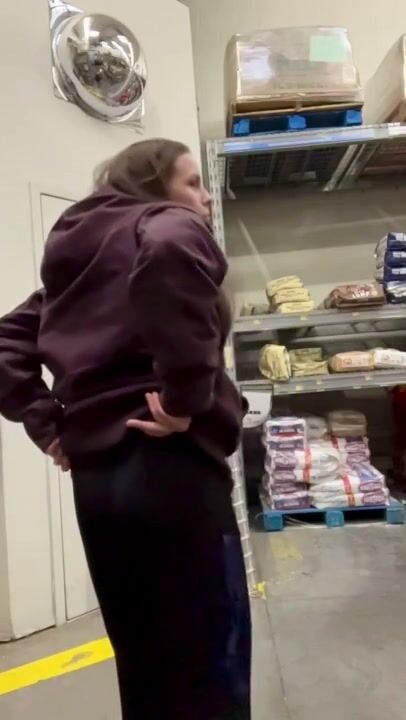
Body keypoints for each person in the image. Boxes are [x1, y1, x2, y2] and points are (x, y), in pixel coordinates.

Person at [0, 139, 251, 719]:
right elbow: (169, 249)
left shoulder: (77, 272)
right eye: (192, 183)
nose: (204, 198)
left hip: (99, 486)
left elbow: (7, 338)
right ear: (153, 187)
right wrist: (186, 399)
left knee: (144, 658)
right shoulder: (165, 227)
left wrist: (48, 425)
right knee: (210, 656)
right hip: (172, 467)